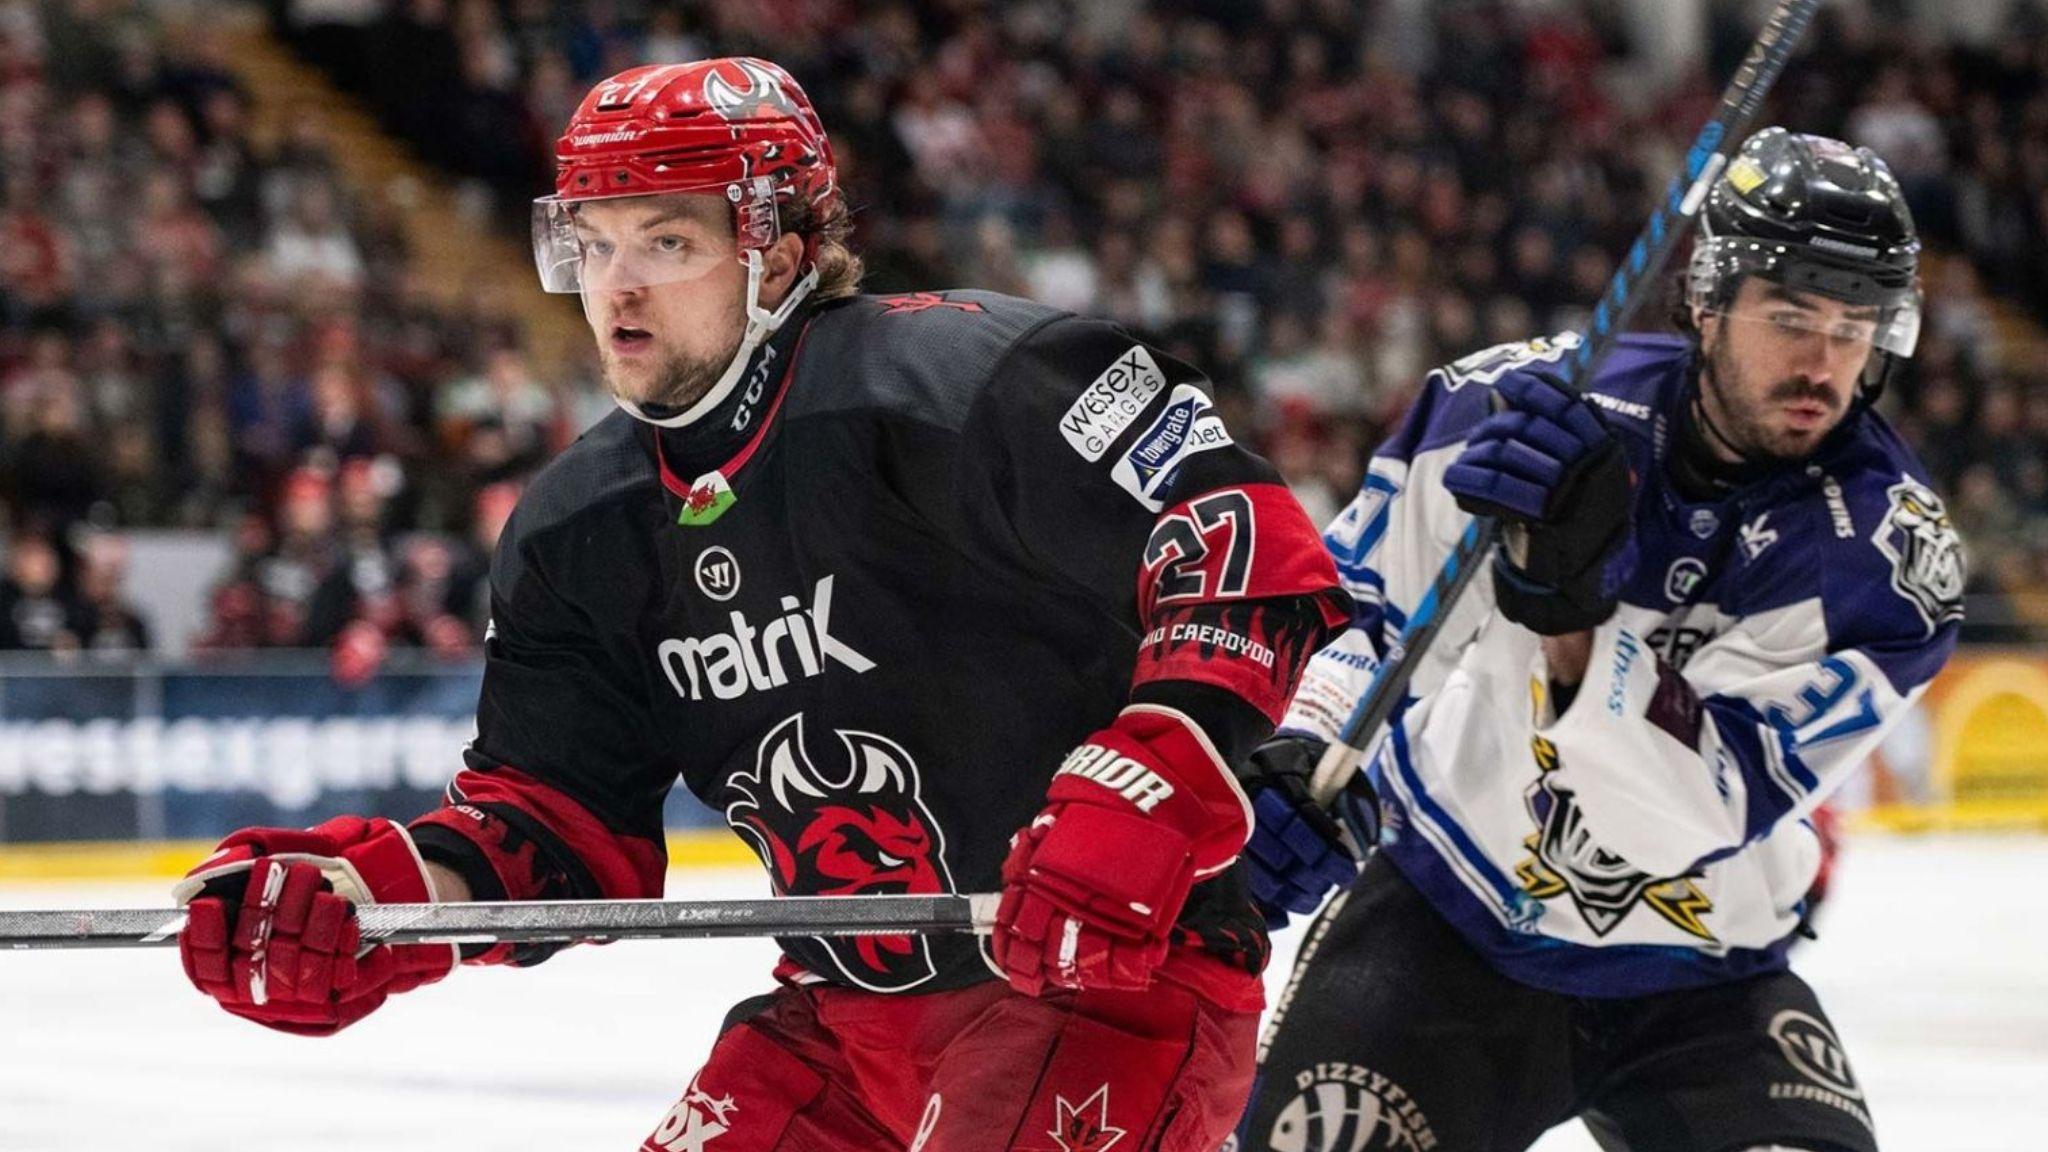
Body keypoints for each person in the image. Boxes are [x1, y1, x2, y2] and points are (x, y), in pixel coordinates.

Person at [170, 58, 1349, 1152]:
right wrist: (374, 905)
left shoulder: (969, 379)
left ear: (777, 252)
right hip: (840, 1020)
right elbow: (555, 827)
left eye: (664, 240)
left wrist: (1161, 761)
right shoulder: (579, 526)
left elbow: (1240, 536)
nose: (615, 286)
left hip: (1104, 988)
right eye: (591, 243)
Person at [1234, 129, 1962, 1152]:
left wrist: (1570, 611)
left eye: (1857, 325)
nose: (1824, 361)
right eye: (1791, 315)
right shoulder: (1507, 406)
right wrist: (1304, 753)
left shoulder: (1884, 563)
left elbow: (1685, 812)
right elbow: (1361, 616)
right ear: (1704, 300)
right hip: (1445, 916)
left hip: (1705, 980)